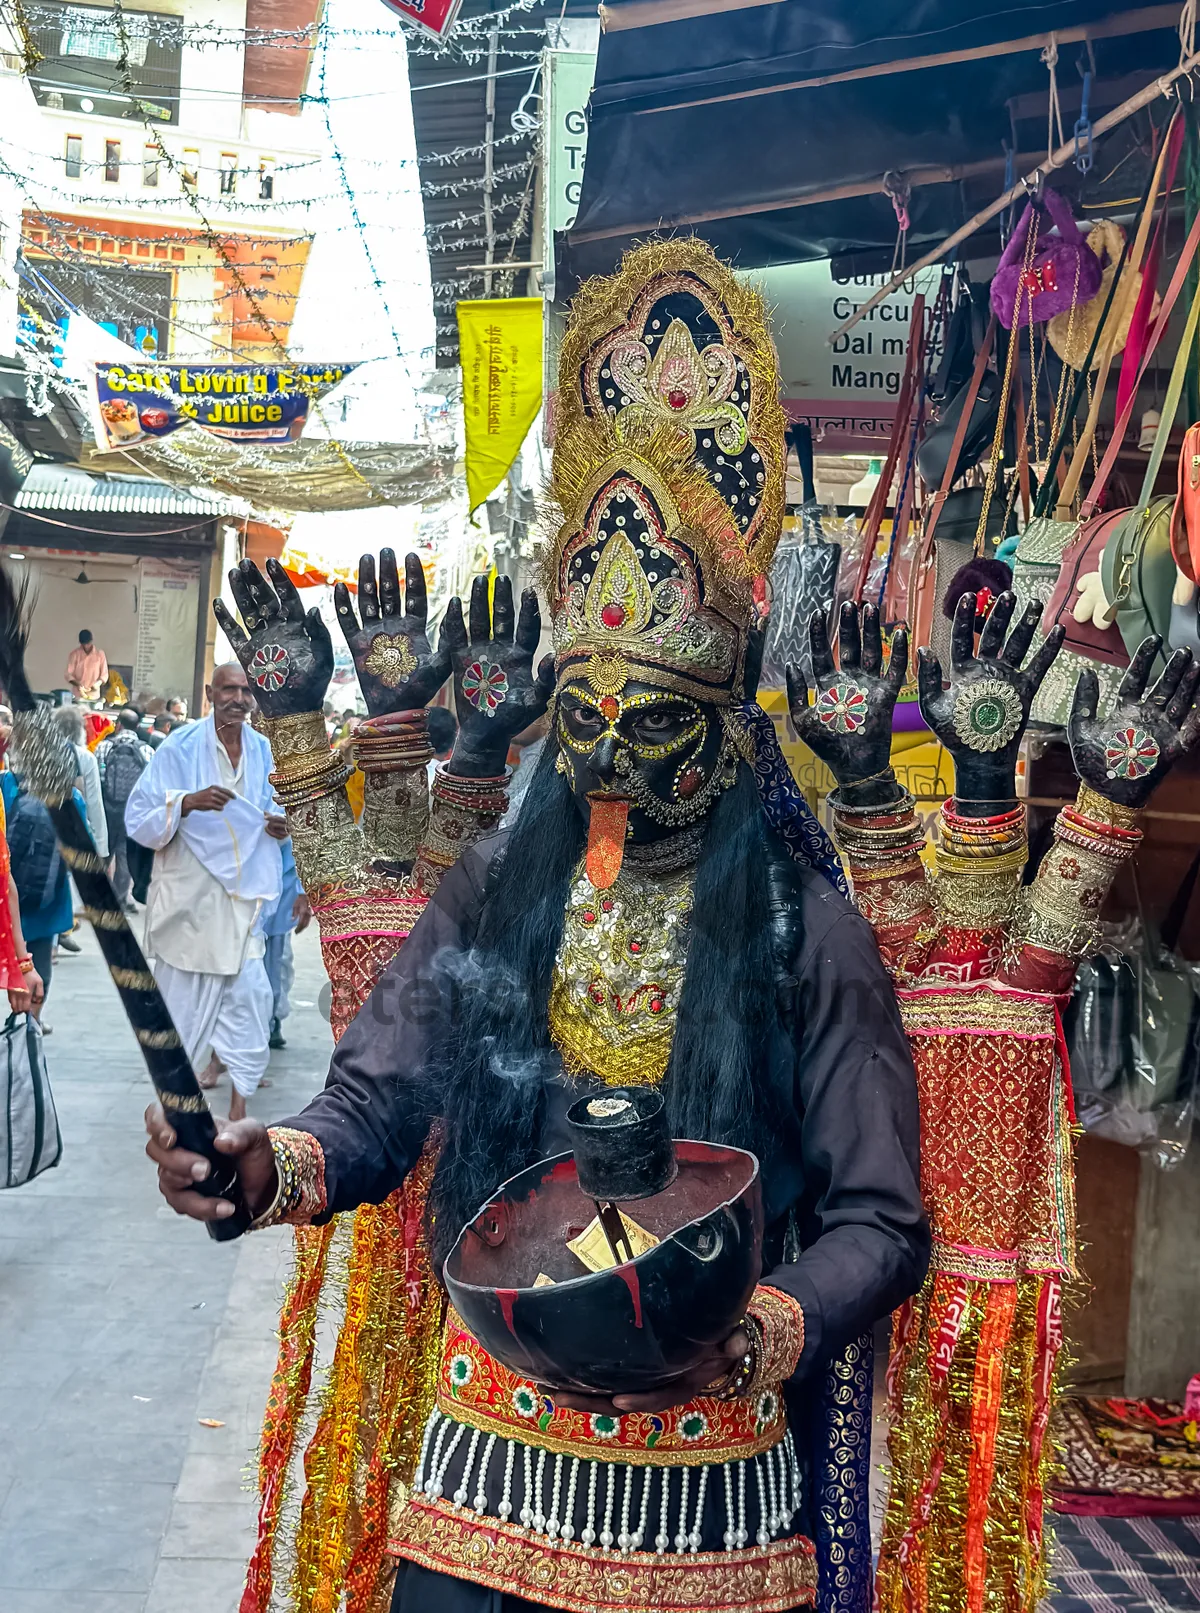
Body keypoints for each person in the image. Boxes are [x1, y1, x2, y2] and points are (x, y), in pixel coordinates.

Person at [146, 244, 930, 1613]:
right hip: (487, 1467)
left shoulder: (808, 936)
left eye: (658, 730)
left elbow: (881, 1218)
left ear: (736, 737)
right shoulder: (497, 892)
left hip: (707, 1490)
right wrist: (261, 1164)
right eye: (585, 728)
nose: (615, 767)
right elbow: (376, 1103)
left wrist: (761, 1324)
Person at [126, 663, 286, 1121]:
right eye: (229, 689)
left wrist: (279, 826)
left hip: (240, 905)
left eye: (245, 690)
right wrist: (188, 801)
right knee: (181, 1005)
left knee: (251, 998)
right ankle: (172, 1108)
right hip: (191, 902)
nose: (238, 697)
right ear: (209, 692)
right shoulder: (180, 746)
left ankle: (239, 1110)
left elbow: (278, 808)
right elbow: (140, 818)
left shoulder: (263, 750)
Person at [52, 704, 108, 954]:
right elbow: (94, 802)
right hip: (72, 826)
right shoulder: (84, 757)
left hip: (42, 824)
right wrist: (101, 845)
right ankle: (58, 933)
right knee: (62, 878)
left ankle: (50, 940)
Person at [95, 708, 153, 910]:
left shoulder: (103, 747)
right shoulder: (147, 750)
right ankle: (119, 900)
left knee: (104, 853)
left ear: (118, 724)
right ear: (137, 727)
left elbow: (97, 782)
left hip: (107, 809)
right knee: (125, 857)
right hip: (133, 812)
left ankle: (99, 896)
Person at [262, 836, 311, 1050]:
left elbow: (306, 836)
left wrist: (303, 892)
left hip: (281, 891)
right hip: (238, 889)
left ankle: (271, 1022)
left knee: (276, 963)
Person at [65, 629, 107, 702]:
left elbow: (104, 675)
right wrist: (78, 684)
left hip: (94, 695)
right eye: (83, 644)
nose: (86, 646)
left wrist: (98, 684)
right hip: (78, 695)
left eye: (88, 643)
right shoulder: (74, 654)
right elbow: (68, 674)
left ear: (91, 641)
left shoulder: (100, 654)